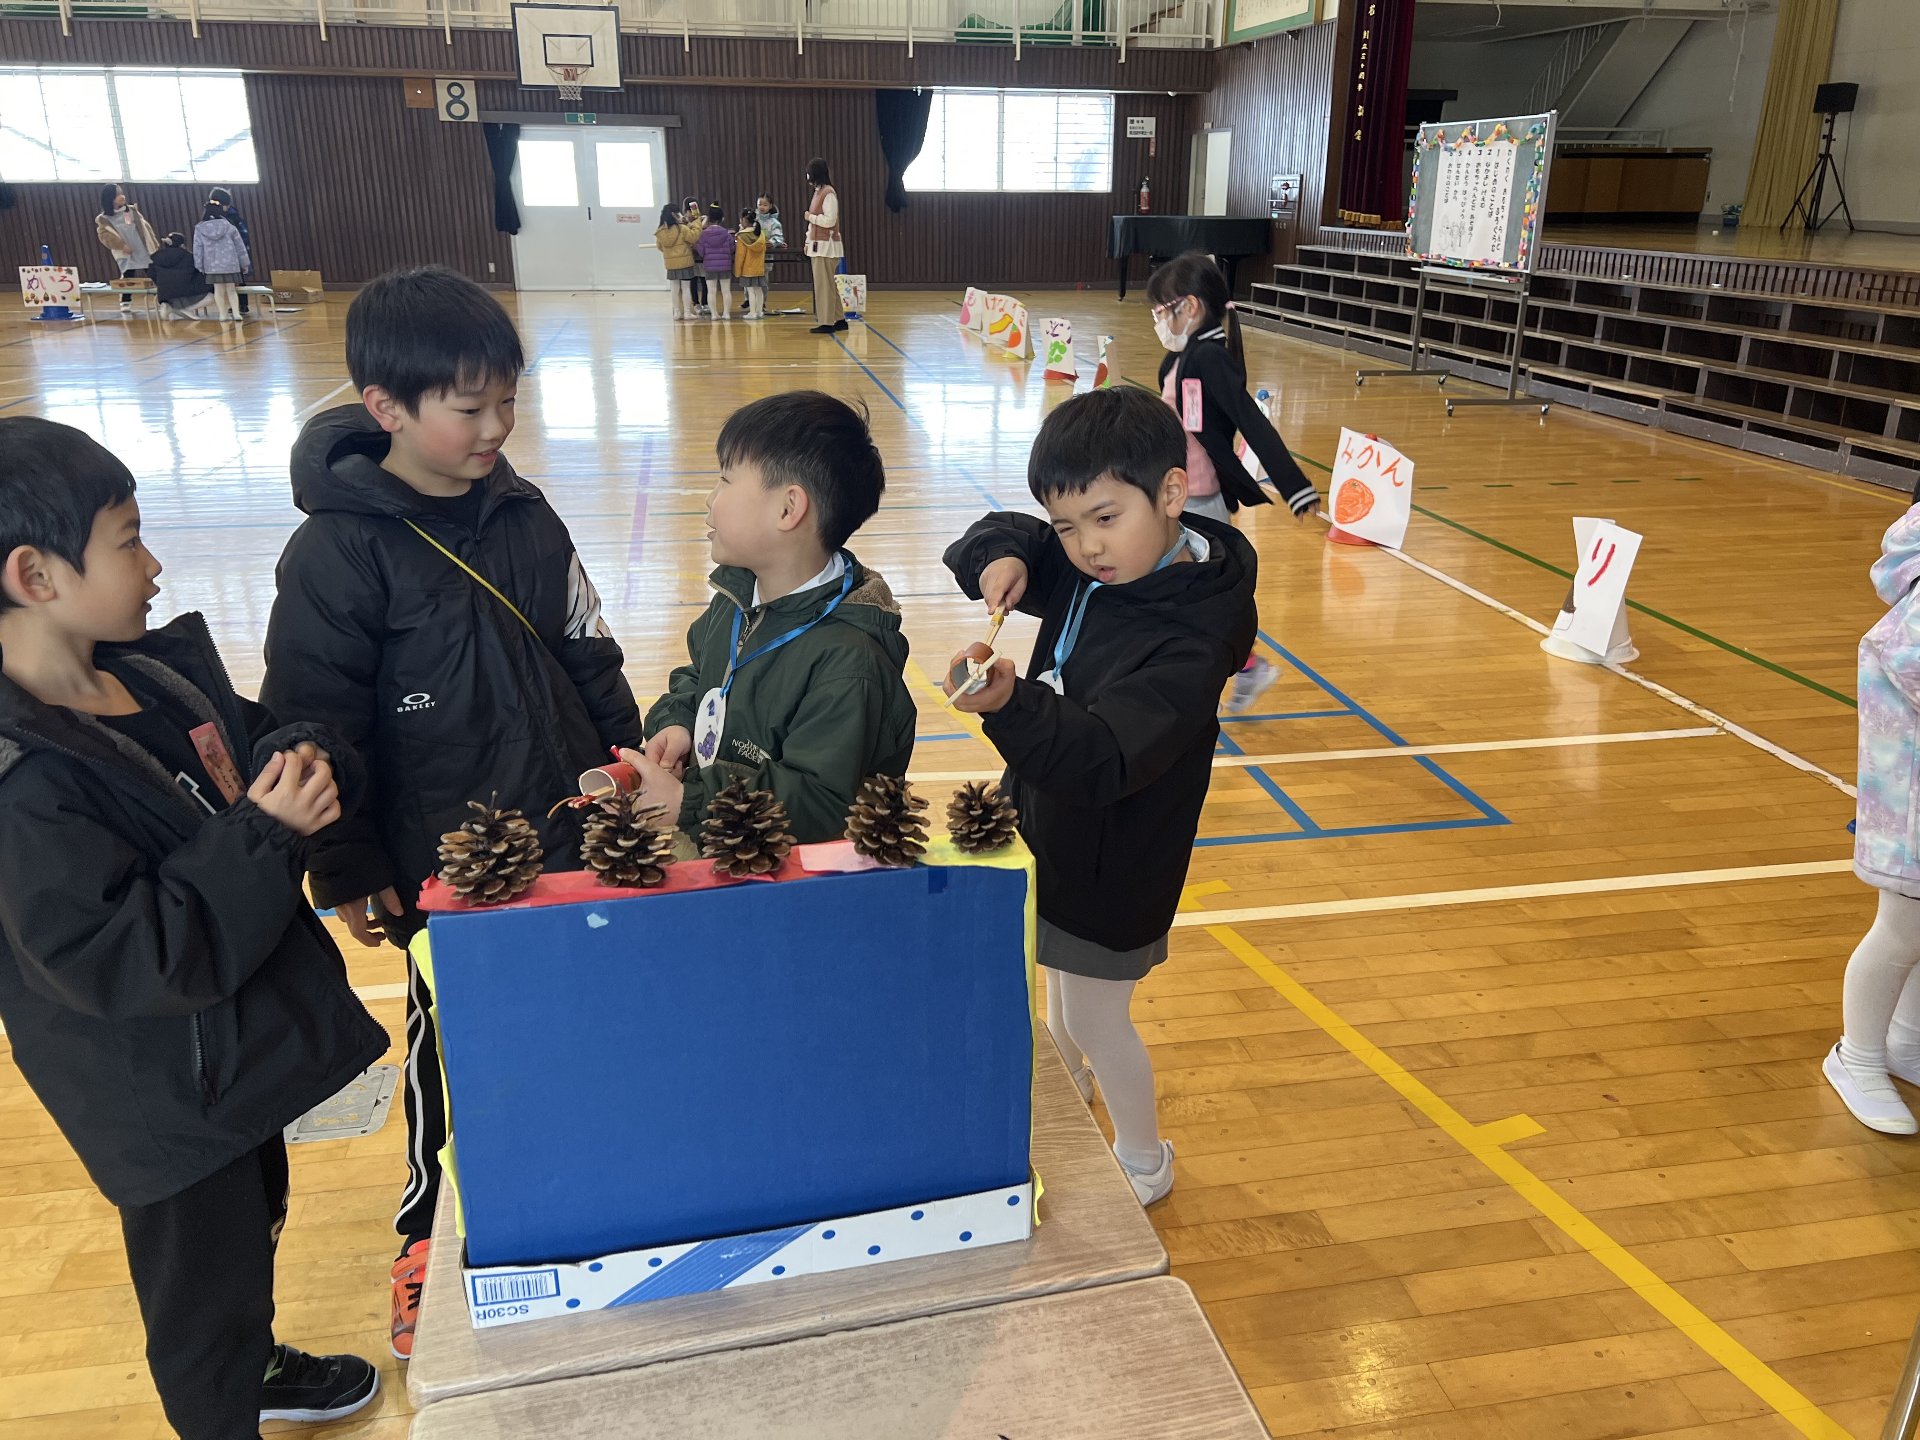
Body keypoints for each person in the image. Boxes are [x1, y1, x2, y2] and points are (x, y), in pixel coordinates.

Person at [259, 266, 642, 1359]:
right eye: (468, 408)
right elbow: (312, 725)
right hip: (441, 870)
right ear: (385, 408)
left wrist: (626, 763)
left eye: (507, 402)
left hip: (570, 840)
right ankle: (428, 1238)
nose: (495, 426)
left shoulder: (527, 512)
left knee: (578, 1027)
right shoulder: (335, 554)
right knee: (452, 1066)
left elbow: (587, 650)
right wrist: (345, 861)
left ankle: (583, 1196)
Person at [0, 416, 389, 1438]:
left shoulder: (153, 680)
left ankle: (255, 1365)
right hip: (155, 1097)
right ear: (35, 575)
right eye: (127, 540)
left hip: (227, 1054)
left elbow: (259, 738)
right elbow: (123, 953)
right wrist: (267, 833)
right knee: (200, 1299)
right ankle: (223, 1405)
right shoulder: (22, 787)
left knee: (253, 1227)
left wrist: (307, 758)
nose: (153, 562)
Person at [942, 386, 1257, 1209]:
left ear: (1170, 494)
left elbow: (1107, 758)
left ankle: (1145, 1158)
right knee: (1057, 985)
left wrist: (1012, 705)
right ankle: (1065, 1083)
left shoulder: (1189, 638)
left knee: (1095, 1016)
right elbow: (1000, 531)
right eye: (1066, 527)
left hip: (1120, 856)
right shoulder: (1107, 561)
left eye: (1104, 519)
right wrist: (1002, 560)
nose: (1084, 549)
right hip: (1051, 826)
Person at [624, 390, 913, 842]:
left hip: (785, 887)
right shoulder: (736, 598)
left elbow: (821, 803)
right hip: (720, 845)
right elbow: (699, 676)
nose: (708, 499)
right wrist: (679, 723)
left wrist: (693, 804)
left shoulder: (849, 662)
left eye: (725, 480)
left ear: (787, 509)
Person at [1147, 250, 1317, 714]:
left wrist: (1294, 484)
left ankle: (1239, 668)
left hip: (1201, 497)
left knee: (1197, 595)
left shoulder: (1209, 359)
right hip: (1176, 494)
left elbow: (1250, 420)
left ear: (1192, 307)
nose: (1159, 319)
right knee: (1178, 590)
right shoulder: (1180, 358)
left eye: (1164, 310)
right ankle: (1240, 667)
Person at [1828, 499, 1920, 1134]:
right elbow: (1906, 658)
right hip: (1911, 796)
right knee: (1903, 927)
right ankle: (1855, 1055)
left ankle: (1905, 1040)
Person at [94, 184, 159, 311]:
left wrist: (153, 243)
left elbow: (145, 227)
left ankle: (164, 299)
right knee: (128, 275)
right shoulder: (103, 219)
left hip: (141, 248)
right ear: (110, 198)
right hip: (125, 251)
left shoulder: (130, 211)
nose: (122, 196)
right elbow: (105, 236)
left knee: (153, 273)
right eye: (117, 194)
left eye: (121, 193)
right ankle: (125, 301)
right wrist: (121, 245)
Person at [803, 158, 847, 336]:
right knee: (828, 285)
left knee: (823, 286)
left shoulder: (828, 193)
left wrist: (810, 217)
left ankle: (826, 322)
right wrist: (807, 242)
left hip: (826, 247)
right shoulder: (818, 191)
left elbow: (830, 220)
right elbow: (813, 226)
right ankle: (839, 319)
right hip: (818, 246)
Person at [192, 201, 249, 323]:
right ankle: (236, 313)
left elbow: (197, 249)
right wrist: (244, 263)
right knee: (231, 290)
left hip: (212, 265)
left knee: (218, 290)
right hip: (230, 263)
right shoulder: (229, 226)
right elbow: (240, 246)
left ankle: (222, 315)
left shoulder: (200, 228)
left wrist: (199, 265)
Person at [149, 232, 218, 320]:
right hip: (187, 291)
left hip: (164, 294)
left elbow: (151, 272)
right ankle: (185, 309)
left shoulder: (156, 257)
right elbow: (201, 272)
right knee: (212, 295)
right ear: (182, 244)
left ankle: (169, 306)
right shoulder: (189, 256)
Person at [209, 187, 255, 318]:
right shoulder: (210, 219)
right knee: (221, 287)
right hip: (218, 260)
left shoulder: (234, 218)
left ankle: (241, 306)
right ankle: (225, 311)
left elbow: (242, 241)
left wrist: (244, 260)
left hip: (233, 258)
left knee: (236, 283)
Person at [655, 202, 701, 322]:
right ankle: (687, 312)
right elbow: (694, 237)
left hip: (670, 264)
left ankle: (676, 312)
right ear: (675, 215)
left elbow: (659, 247)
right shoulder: (682, 228)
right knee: (686, 288)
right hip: (685, 261)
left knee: (674, 289)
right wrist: (697, 223)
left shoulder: (660, 231)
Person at [694, 201, 735, 321]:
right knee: (726, 290)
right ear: (722, 218)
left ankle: (714, 314)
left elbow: (701, 251)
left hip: (709, 266)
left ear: (709, 218)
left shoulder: (703, 235)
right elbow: (732, 248)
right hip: (725, 266)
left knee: (711, 291)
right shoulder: (727, 234)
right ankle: (726, 314)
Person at [735, 208, 768, 321]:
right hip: (759, 268)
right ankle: (759, 311)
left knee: (750, 291)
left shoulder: (741, 236)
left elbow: (740, 256)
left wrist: (738, 270)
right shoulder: (761, 234)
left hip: (748, 269)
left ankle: (752, 312)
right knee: (758, 290)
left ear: (743, 220)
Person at [683, 197, 710, 316]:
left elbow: (703, 228)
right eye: (689, 210)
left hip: (702, 255)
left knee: (705, 280)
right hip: (691, 256)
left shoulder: (701, 219)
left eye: (693, 209)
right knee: (693, 280)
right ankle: (696, 304)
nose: (691, 213)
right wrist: (689, 222)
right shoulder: (684, 221)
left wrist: (702, 219)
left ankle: (705, 303)